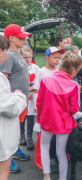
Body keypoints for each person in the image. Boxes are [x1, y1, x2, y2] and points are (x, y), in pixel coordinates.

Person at [36, 52, 82, 180]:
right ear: (73, 71)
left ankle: (47, 177)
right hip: (63, 122)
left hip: (46, 120)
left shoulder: (46, 79)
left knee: (44, 147)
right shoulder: (73, 86)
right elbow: (74, 110)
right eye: (77, 71)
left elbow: (39, 102)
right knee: (61, 152)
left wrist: (39, 119)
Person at [0, 24, 32, 173]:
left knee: (16, 128)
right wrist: (15, 97)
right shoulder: (8, 56)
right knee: (8, 130)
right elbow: (4, 80)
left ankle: (14, 150)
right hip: (12, 103)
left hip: (21, 101)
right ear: (11, 38)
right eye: (21, 37)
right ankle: (8, 157)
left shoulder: (18, 53)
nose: (24, 39)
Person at [20, 46, 40, 150]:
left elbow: (38, 82)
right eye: (25, 57)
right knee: (22, 117)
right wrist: (25, 92)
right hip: (22, 96)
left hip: (32, 97)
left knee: (31, 117)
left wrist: (31, 91)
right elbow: (18, 82)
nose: (27, 59)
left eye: (29, 57)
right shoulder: (19, 68)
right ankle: (21, 135)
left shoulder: (36, 68)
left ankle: (29, 137)